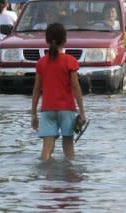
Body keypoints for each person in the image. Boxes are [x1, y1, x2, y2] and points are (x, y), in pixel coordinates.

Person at [31, 23, 86, 160]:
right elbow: (76, 88)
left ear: (47, 41)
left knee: (46, 149)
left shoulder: (41, 63)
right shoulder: (70, 61)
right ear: (65, 40)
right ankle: (70, 175)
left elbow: (36, 90)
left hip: (47, 110)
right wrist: (82, 111)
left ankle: (44, 177)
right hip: (67, 109)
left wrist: (33, 114)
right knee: (68, 148)